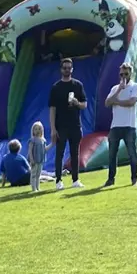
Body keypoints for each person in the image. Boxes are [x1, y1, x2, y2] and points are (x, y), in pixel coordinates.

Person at [48, 57, 87, 190]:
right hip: (61, 126)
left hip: (75, 125)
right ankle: (58, 181)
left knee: (75, 153)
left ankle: (75, 180)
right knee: (59, 153)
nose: (67, 70)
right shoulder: (56, 87)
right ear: (61, 69)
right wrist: (53, 129)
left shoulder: (78, 85)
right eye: (64, 68)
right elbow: (52, 109)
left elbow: (84, 104)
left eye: (69, 68)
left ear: (72, 69)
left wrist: (77, 103)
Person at [103, 63, 137, 187]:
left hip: (129, 126)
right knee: (112, 154)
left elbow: (132, 102)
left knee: (132, 153)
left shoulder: (135, 86)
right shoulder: (115, 88)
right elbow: (107, 103)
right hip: (115, 126)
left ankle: (134, 178)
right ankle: (110, 179)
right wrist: (119, 89)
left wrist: (117, 101)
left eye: (126, 74)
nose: (123, 76)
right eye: (121, 74)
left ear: (130, 73)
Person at [27, 121, 52, 192]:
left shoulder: (43, 140)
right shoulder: (32, 140)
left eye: (39, 129)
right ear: (33, 131)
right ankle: (33, 188)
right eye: (36, 129)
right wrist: (31, 159)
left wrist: (52, 144)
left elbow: (45, 149)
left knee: (38, 174)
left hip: (40, 159)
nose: (37, 131)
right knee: (33, 174)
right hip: (34, 159)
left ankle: (37, 187)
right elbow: (30, 150)